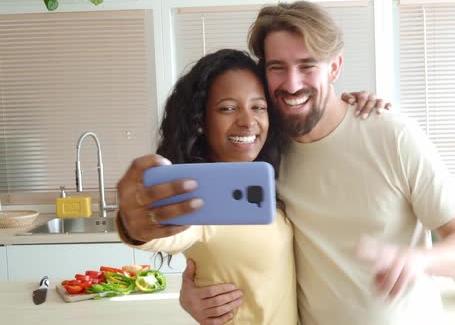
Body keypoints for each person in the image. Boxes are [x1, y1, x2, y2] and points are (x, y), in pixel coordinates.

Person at [181, 0, 455, 324]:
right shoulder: (265, 153)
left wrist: (417, 261)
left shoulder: (392, 135)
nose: (292, 83)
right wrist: (190, 295)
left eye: (307, 65)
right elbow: (215, 236)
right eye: (277, 67)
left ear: (335, 67)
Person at [115, 48, 388, 324]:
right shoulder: (199, 196)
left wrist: (352, 107)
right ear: (201, 122)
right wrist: (133, 223)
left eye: (258, 107)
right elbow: (161, 231)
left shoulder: (275, 176)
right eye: (228, 108)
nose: (247, 121)